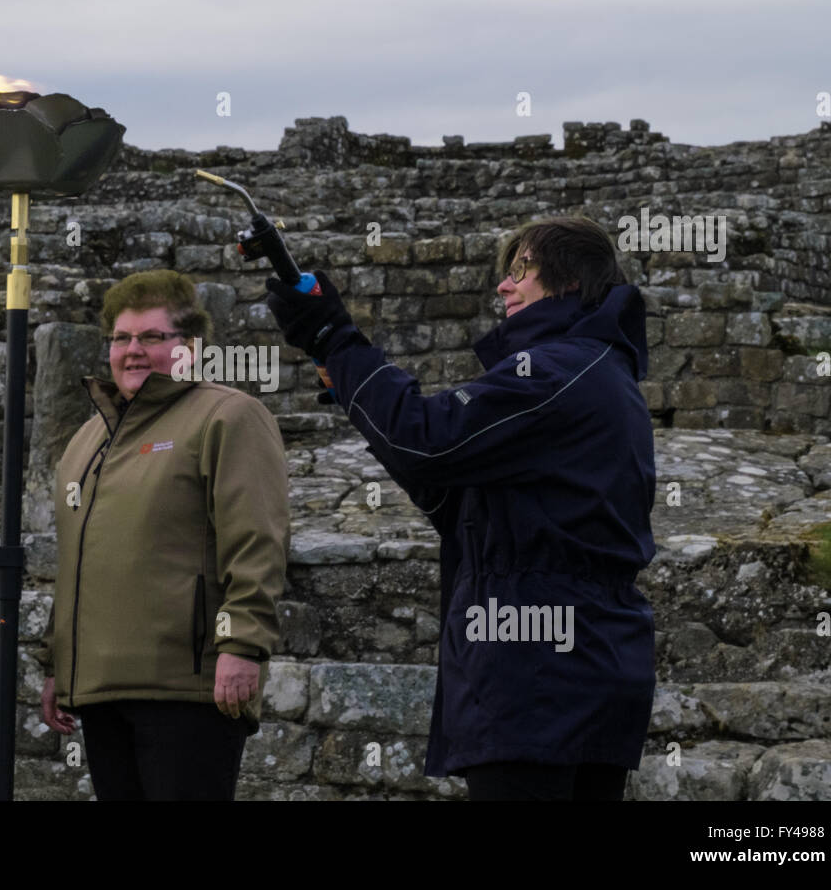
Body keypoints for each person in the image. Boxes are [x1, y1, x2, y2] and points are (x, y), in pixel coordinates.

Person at [266, 217, 656, 801]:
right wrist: (355, 385)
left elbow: (424, 440)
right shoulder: (598, 372)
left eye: (522, 270)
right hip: (587, 666)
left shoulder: (555, 371)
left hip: (537, 679)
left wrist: (335, 341)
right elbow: (460, 500)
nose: (504, 286)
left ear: (571, 282)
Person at [40, 269, 289, 800]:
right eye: (122, 338)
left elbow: (256, 542)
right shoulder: (87, 440)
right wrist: (58, 664)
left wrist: (243, 644)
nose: (133, 350)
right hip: (100, 687)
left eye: (153, 337)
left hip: (189, 689)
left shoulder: (228, 417)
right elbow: (75, 560)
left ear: (191, 347)